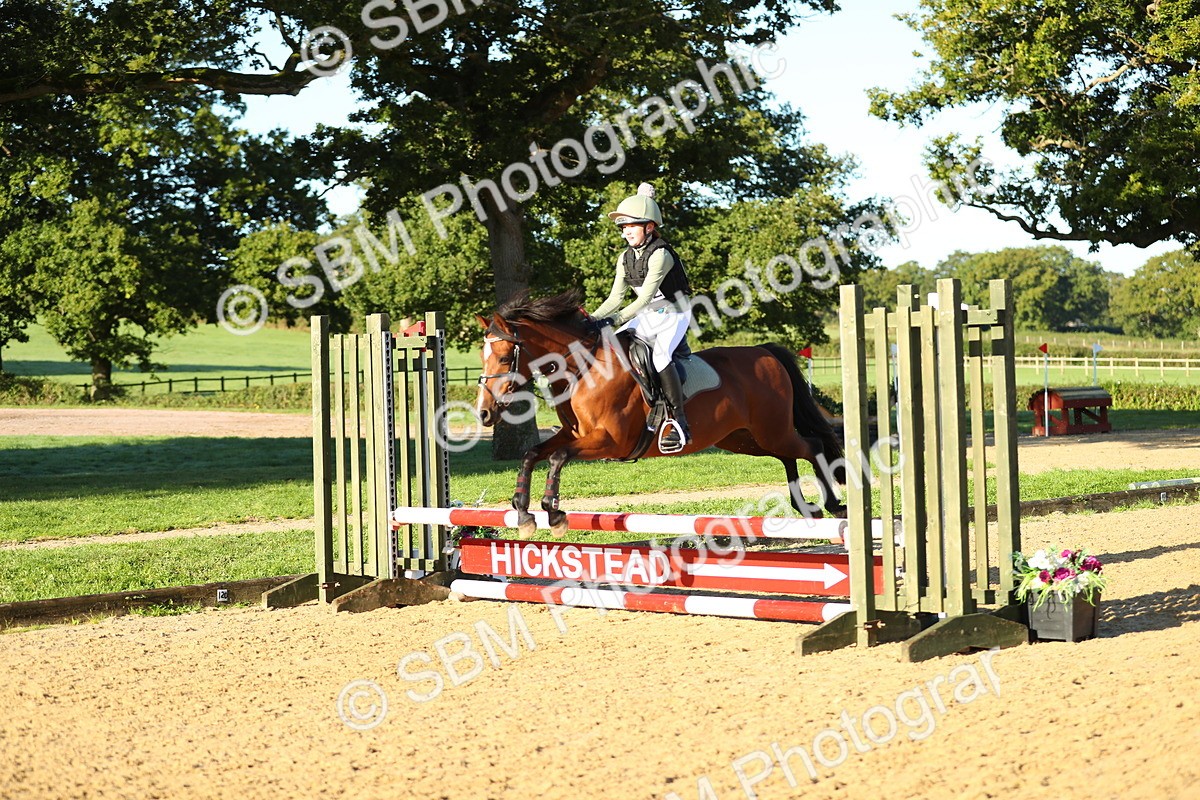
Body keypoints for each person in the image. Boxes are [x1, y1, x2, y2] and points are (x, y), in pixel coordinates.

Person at [589, 182, 694, 452]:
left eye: (631, 227)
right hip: (647, 314)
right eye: (623, 228)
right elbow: (615, 299)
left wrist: (613, 320)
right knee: (614, 347)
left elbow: (644, 298)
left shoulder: (661, 255)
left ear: (649, 227)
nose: (626, 233)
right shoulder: (625, 258)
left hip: (674, 312)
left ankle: (679, 422)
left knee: (659, 356)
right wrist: (590, 319)